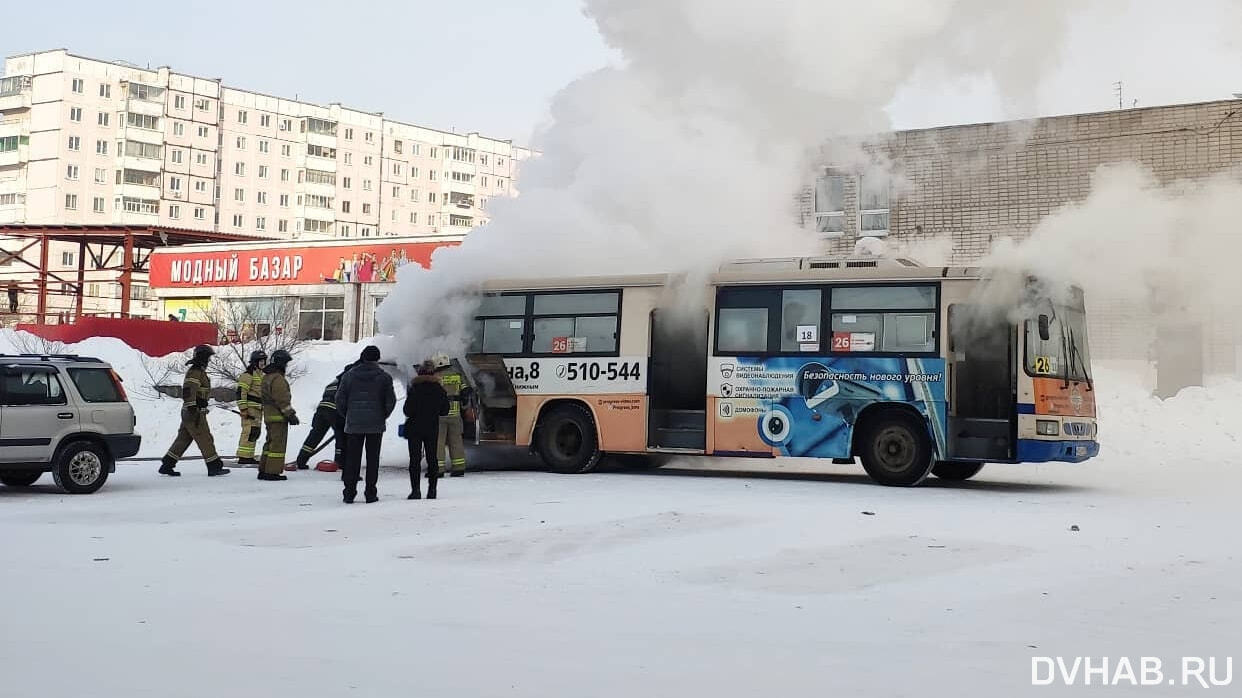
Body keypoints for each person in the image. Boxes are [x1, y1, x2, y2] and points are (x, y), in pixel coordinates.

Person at [336, 345, 396, 503]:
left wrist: (348, 415)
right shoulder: (384, 377)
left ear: (362, 357)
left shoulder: (349, 376)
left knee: (352, 459)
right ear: (377, 359)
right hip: (375, 425)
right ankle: (370, 493)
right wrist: (382, 415)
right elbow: (390, 401)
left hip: (354, 424)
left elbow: (339, 399)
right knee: (373, 459)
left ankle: (349, 492)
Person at [159, 345, 230, 477]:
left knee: (183, 439)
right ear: (202, 357)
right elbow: (189, 389)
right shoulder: (195, 372)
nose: (209, 361)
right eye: (207, 358)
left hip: (192, 412)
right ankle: (214, 466)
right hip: (194, 412)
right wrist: (193, 405)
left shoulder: (199, 371)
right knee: (205, 438)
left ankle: (167, 464)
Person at [294, 362, 356, 470]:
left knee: (314, 436)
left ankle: (301, 460)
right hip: (335, 412)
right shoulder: (348, 382)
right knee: (341, 437)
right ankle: (340, 462)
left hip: (321, 412)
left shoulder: (332, 383)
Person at [403, 360, 449, 500]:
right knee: (432, 459)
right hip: (432, 428)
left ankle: (415, 491)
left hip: (415, 428)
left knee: (414, 460)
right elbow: (444, 411)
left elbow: (407, 410)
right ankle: (432, 490)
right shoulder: (439, 389)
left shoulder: (414, 388)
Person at [258, 349, 299, 481]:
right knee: (277, 445)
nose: (286, 366)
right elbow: (282, 399)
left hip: (269, 416)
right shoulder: (278, 379)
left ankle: (264, 469)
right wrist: (291, 415)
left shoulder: (267, 377)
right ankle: (272, 472)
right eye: (285, 363)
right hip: (278, 417)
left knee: (269, 443)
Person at [432, 353, 470, 477]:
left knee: (439, 442)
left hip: (439, 415)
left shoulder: (434, 377)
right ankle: (459, 467)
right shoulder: (457, 375)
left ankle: (438, 469)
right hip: (455, 415)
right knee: (456, 441)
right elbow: (465, 391)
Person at [234, 350, 267, 466]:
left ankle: (248, 455)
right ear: (255, 362)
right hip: (250, 409)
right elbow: (241, 393)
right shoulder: (247, 375)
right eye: (260, 361)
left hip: (258, 410)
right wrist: (243, 409)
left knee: (255, 433)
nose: (262, 363)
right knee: (249, 432)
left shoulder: (261, 375)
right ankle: (244, 457)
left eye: (264, 361)